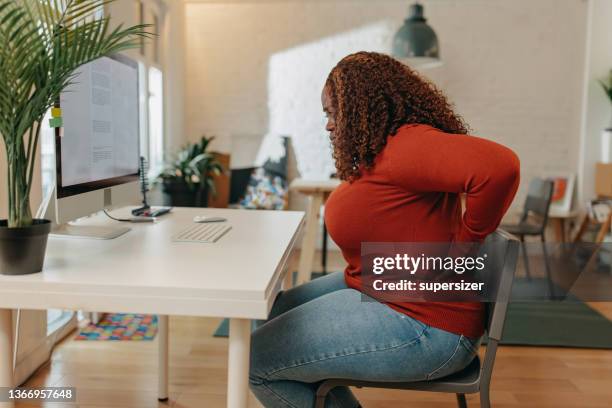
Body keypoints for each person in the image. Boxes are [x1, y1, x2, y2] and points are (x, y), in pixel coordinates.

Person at [249, 51, 520, 408]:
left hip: (428, 326)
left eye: (334, 112)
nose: (329, 125)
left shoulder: (407, 143)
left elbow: (499, 167)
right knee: (263, 314)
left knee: (256, 360)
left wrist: (467, 242)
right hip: (388, 289)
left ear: (362, 105)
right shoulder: (383, 148)